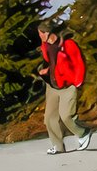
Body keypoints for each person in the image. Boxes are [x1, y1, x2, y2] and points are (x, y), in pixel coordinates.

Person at [38, 20, 92, 155]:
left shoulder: (68, 44)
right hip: (52, 86)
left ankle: (83, 133)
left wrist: (77, 83)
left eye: (40, 34)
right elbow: (53, 62)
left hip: (68, 86)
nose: (40, 37)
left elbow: (79, 63)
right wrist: (46, 71)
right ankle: (58, 146)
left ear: (47, 33)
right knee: (49, 118)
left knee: (66, 116)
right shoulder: (45, 46)